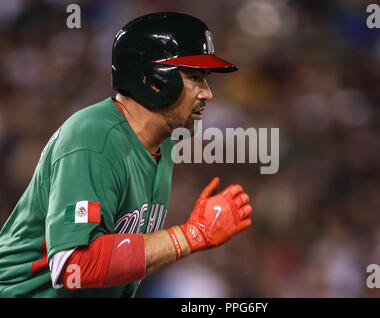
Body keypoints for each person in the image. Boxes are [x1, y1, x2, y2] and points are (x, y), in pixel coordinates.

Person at [0, 12, 252, 297]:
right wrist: (190, 235)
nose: (207, 94)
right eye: (195, 78)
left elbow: (121, 264)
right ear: (155, 82)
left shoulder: (162, 143)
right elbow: (73, 266)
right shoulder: (93, 138)